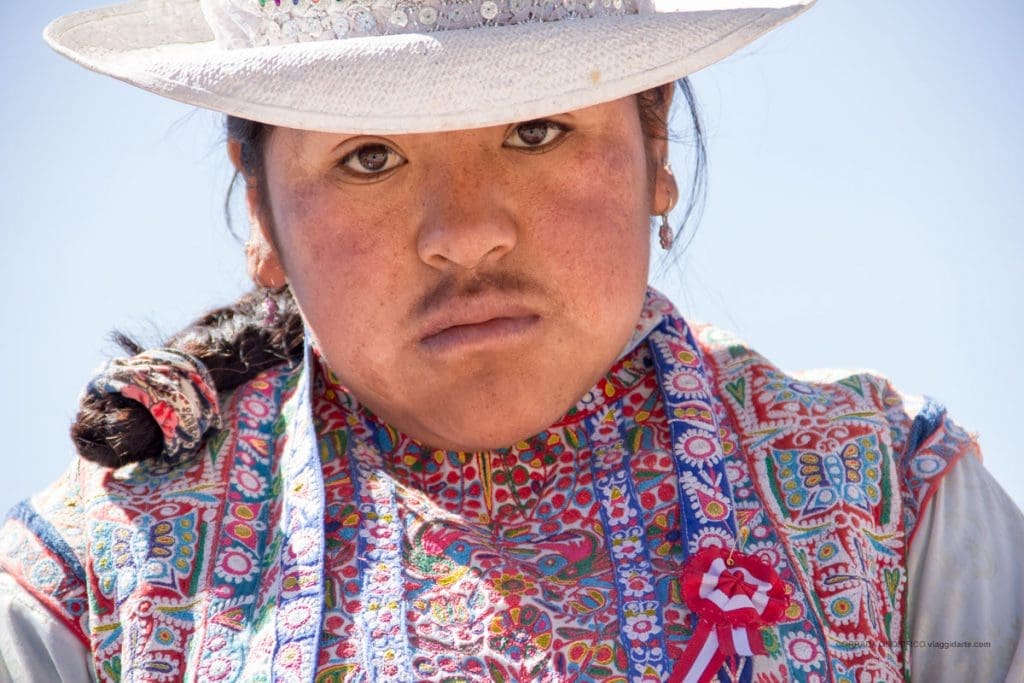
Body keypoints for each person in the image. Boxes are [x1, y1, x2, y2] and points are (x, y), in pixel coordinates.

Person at [1, 0, 1021, 681]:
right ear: (261, 208)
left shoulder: (886, 500)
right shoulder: (96, 573)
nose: (464, 233)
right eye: (369, 156)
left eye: (535, 131)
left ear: (653, 145)